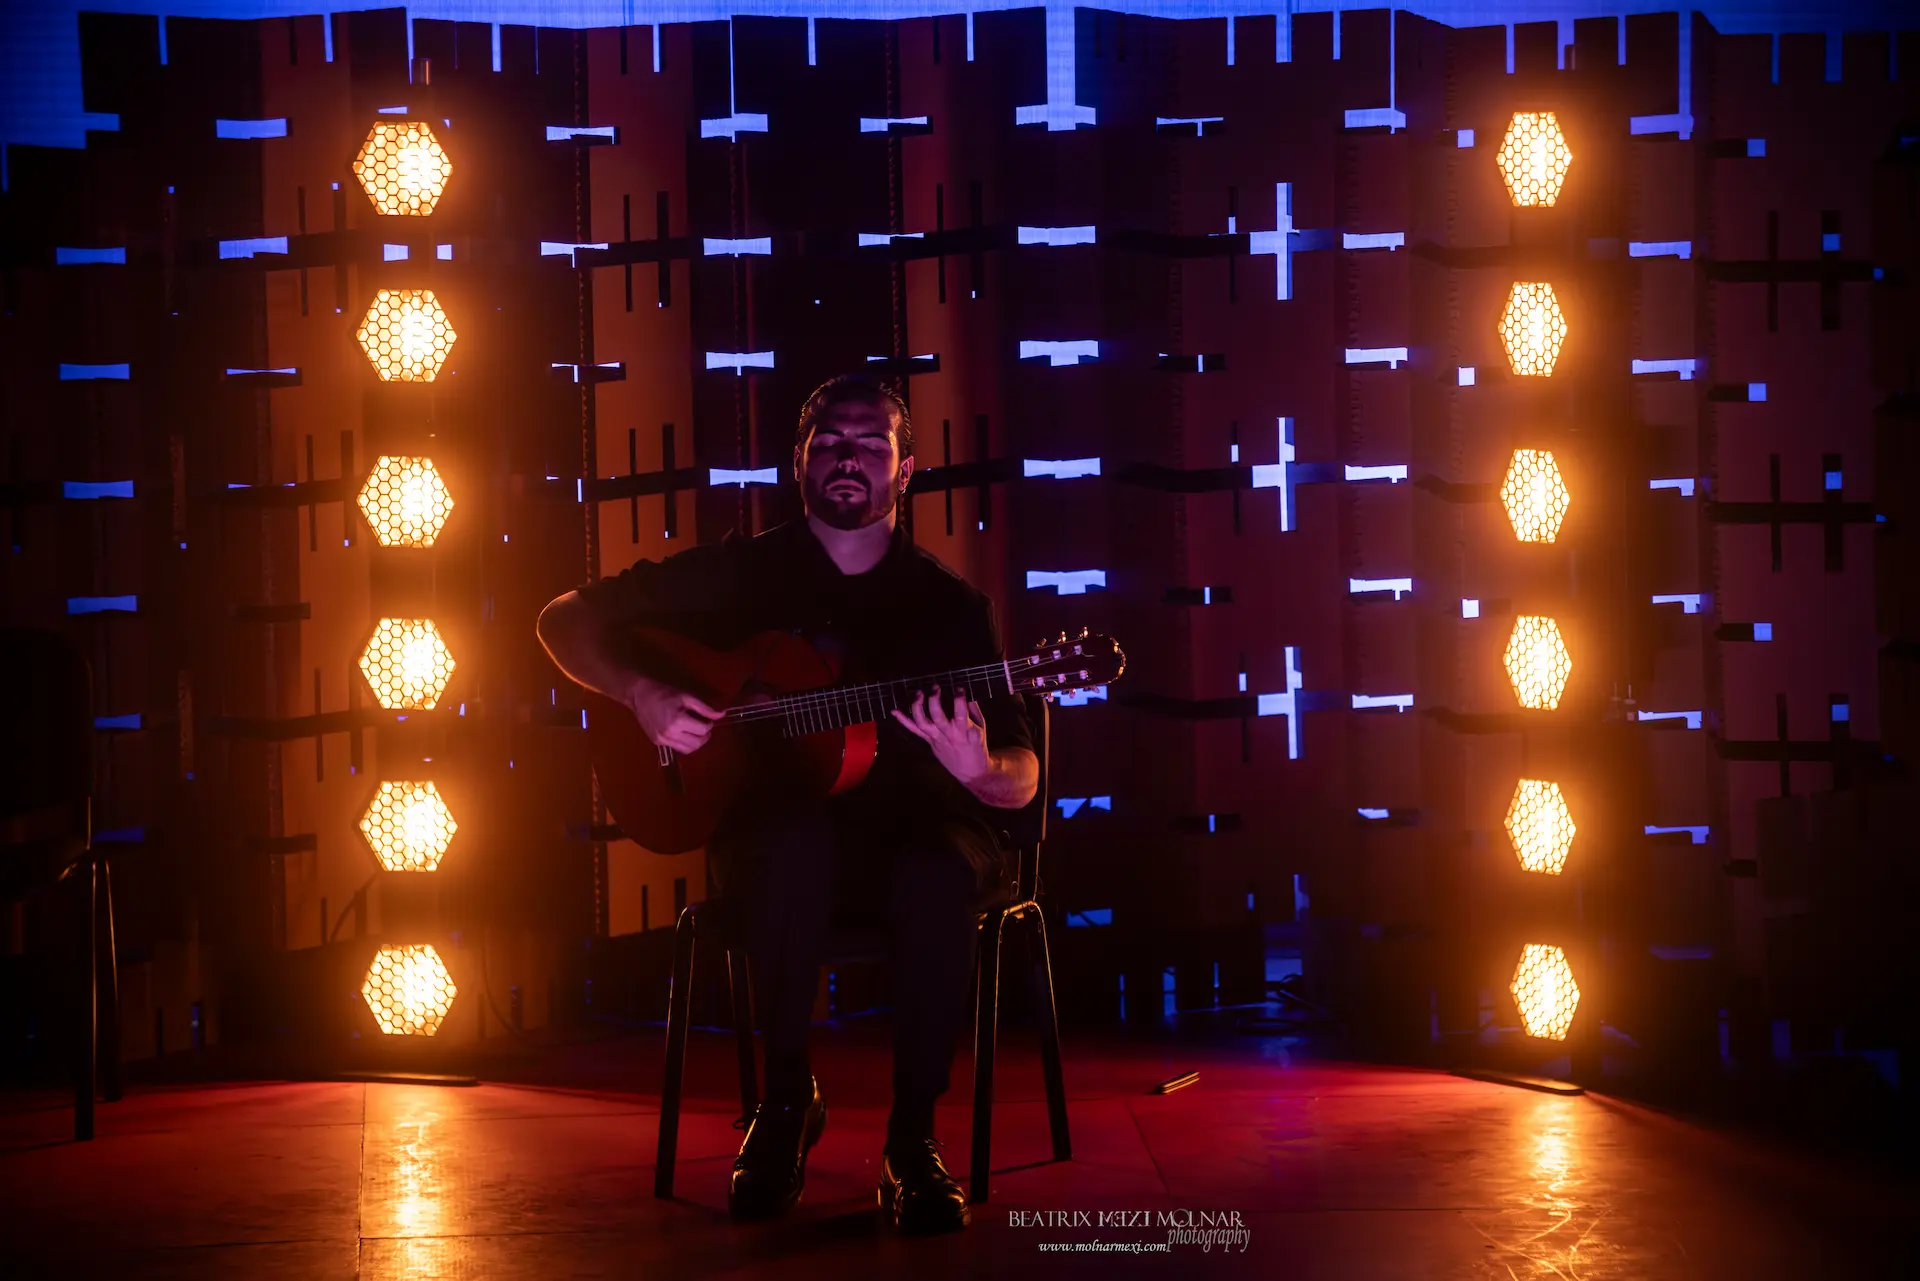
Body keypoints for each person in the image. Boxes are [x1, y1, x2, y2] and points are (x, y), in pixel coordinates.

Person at [535, 374, 1038, 1235]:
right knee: (788, 842)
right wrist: (640, 692)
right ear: (798, 459)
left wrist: (977, 765)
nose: (849, 458)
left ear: (905, 469)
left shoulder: (951, 608)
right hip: (780, 840)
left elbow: (1022, 774)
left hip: (919, 830)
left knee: (934, 871)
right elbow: (562, 617)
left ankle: (913, 1138)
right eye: (830, 441)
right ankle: (784, 1101)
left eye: (871, 444)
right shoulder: (740, 574)